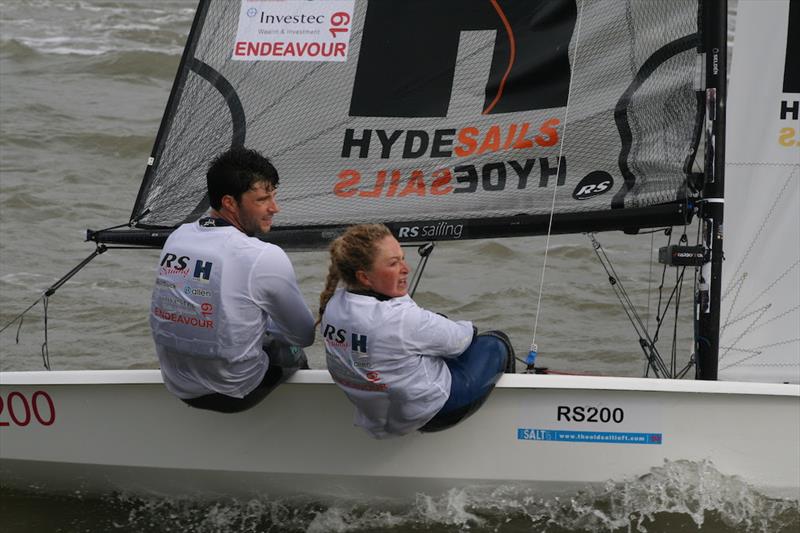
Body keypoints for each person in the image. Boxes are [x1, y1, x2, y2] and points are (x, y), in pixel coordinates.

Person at [149, 147, 315, 413]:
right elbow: (304, 334)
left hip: (179, 385)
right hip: (236, 392)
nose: (275, 208)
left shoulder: (178, 236)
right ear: (229, 203)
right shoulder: (264, 256)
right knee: (291, 349)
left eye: (273, 196)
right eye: (262, 199)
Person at [318, 223, 515, 438]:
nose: (406, 269)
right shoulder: (401, 318)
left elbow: (366, 353)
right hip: (438, 412)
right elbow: (462, 339)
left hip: (376, 415)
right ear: (364, 277)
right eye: (394, 263)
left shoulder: (333, 305)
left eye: (403, 258)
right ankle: (512, 420)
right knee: (496, 341)